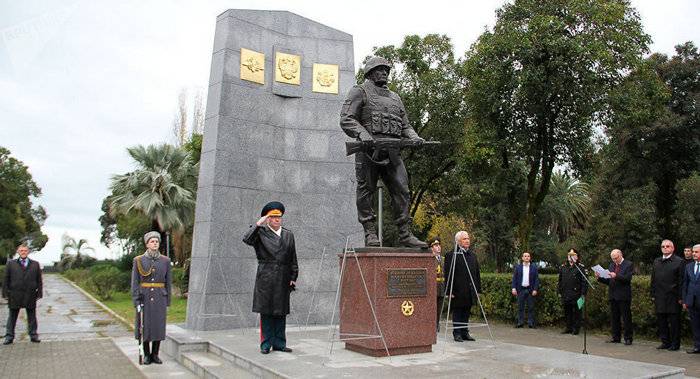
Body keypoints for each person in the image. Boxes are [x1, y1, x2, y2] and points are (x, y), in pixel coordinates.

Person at [339, 56, 427, 248]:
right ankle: (370, 231)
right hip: (369, 151)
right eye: (380, 69)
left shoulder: (395, 98)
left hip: (393, 153)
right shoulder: (359, 91)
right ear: (370, 72)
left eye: (387, 70)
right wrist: (363, 134)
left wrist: (414, 138)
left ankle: (405, 233)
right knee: (365, 190)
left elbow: (405, 125)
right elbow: (346, 118)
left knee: (402, 190)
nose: (384, 73)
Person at [243, 201, 298, 354]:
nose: (276, 220)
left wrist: (293, 276)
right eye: (272, 217)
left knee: (281, 311)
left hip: (283, 277)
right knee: (266, 312)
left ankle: (280, 343)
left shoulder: (288, 234)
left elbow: (293, 257)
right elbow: (246, 239)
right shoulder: (260, 233)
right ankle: (266, 344)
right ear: (267, 219)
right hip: (266, 276)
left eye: (278, 217)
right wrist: (258, 224)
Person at [131, 232, 172, 364]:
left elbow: (168, 282)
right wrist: (136, 300)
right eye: (152, 241)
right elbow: (135, 282)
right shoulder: (139, 260)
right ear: (147, 244)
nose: (155, 243)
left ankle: (155, 354)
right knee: (145, 326)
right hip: (145, 297)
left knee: (158, 326)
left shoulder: (165, 261)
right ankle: (147, 354)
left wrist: (168, 300)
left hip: (160, 297)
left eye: (157, 241)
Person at [444, 231, 481, 342]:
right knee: (458, 311)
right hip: (457, 289)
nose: (467, 240)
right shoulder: (451, 255)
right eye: (465, 238)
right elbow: (448, 274)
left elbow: (477, 273)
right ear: (458, 241)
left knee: (466, 311)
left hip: (469, 290)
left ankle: (465, 332)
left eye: (468, 238)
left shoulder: (472, 255)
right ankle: (457, 333)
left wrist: (477, 289)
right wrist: (449, 290)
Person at [2, 244, 42, 344]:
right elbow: (6, 279)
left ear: (28, 252)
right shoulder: (11, 264)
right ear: (18, 252)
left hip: (30, 294)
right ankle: (9, 336)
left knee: (32, 316)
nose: (23, 252)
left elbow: (39, 280)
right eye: (21, 250)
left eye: (25, 250)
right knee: (12, 316)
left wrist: (39, 293)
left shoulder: (35, 264)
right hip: (15, 294)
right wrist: (5, 293)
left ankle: (33, 335)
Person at [651, 239, 684, 351]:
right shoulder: (656, 261)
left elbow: (681, 281)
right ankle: (665, 342)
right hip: (659, 296)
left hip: (673, 297)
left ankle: (675, 344)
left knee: (674, 323)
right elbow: (653, 279)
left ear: (673, 248)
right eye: (663, 246)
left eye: (667, 246)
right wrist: (653, 294)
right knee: (662, 321)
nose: (665, 248)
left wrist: (681, 297)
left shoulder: (679, 261)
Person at [596, 249, 634, 345]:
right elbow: (609, 281)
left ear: (620, 255)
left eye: (616, 258)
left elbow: (627, 279)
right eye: (613, 259)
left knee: (626, 318)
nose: (614, 260)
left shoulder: (628, 264)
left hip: (623, 296)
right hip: (613, 295)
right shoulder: (611, 265)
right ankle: (616, 337)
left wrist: (616, 276)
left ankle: (628, 338)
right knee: (614, 318)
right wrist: (599, 278)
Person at [558, 248, 587, 335]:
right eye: (569, 255)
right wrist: (559, 291)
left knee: (577, 313)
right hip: (566, 294)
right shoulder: (563, 267)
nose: (571, 257)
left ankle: (576, 329)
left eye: (573, 255)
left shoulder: (581, 267)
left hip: (577, 294)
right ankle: (568, 328)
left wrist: (583, 294)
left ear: (577, 257)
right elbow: (560, 281)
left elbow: (584, 282)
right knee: (567, 312)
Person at [511, 251, 539, 328]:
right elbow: (514, 278)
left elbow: (536, 279)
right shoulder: (518, 267)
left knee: (531, 307)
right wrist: (513, 288)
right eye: (525, 256)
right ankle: (520, 322)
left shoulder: (534, 267)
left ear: (530, 258)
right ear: (522, 258)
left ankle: (531, 323)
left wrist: (535, 289)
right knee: (520, 307)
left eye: (528, 256)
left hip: (530, 290)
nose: (527, 257)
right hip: (521, 290)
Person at [682, 244, 700, 354]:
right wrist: (684, 300)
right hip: (692, 301)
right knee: (695, 325)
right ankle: (697, 346)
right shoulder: (689, 266)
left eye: (696, 252)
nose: (693, 254)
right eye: (693, 252)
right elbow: (685, 284)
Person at [430, 238, 445, 332]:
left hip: (441, 287)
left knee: (439, 307)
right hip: (433, 287)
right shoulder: (429, 259)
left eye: (439, 245)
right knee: (432, 307)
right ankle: (431, 324)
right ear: (431, 248)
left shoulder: (443, 259)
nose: (438, 247)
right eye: (435, 245)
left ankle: (437, 322)